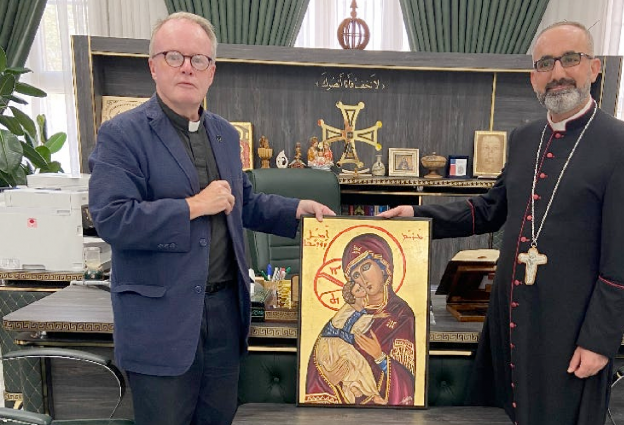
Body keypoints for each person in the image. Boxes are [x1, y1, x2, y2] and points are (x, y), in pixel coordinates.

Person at [380, 21, 624, 425]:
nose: (557, 72)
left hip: (568, 329)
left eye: (570, 59)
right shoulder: (526, 138)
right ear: (533, 78)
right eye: (545, 63)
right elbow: (491, 209)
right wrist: (417, 216)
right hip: (506, 322)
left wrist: (599, 341)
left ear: (594, 68)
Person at [87, 12, 334, 425]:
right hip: (160, 324)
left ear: (211, 71)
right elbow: (112, 218)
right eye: (174, 56)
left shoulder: (224, 133)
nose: (187, 67)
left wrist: (295, 210)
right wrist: (193, 206)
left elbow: (243, 201)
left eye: (198, 59)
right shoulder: (122, 134)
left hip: (224, 316)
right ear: (153, 66)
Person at [304, 233, 416, 405]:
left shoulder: (401, 314)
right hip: (343, 410)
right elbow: (318, 365)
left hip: (384, 413)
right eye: (355, 275)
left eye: (366, 267)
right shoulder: (345, 315)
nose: (362, 279)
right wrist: (329, 379)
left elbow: (407, 378)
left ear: (384, 265)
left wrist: (380, 357)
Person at [310, 280, 385, 405]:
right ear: (352, 295)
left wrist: (374, 317)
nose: (362, 289)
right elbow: (342, 326)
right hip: (332, 342)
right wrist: (375, 317)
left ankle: (353, 387)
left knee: (350, 366)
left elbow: (359, 325)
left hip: (340, 343)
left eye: (361, 287)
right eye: (358, 289)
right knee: (359, 362)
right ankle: (373, 393)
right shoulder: (348, 308)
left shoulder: (361, 310)